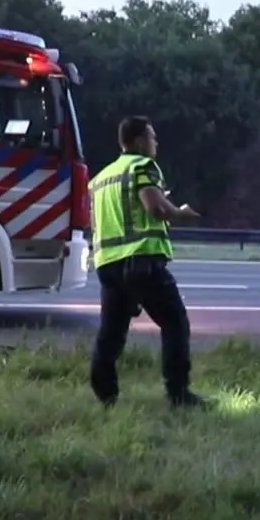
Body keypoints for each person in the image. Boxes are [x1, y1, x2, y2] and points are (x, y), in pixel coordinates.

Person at [89, 115, 208, 408]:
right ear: (139, 140)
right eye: (152, 137)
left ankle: (106, 397)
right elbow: (155, 208)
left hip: (108, 265)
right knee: (175, 324)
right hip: (141, 260)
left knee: (111, 333)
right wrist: (181, 213)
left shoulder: (100, 178)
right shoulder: (143, 166)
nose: (156, 143)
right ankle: (179, 394)